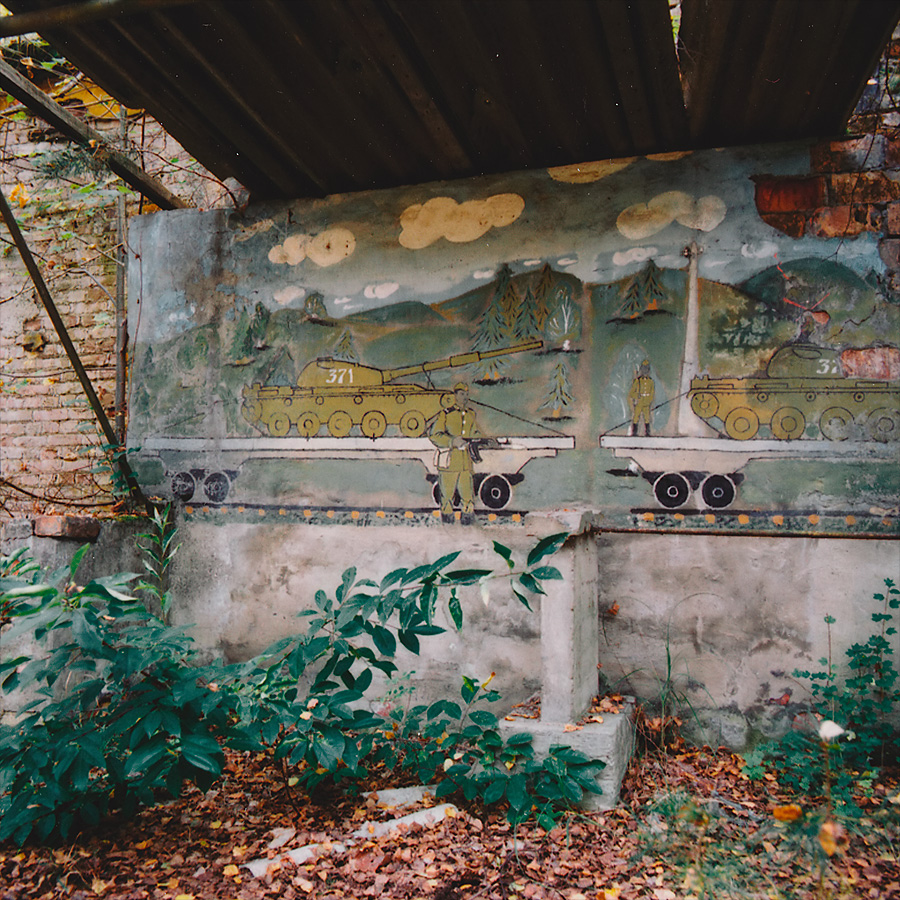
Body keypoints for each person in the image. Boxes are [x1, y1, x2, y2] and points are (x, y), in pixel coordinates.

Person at [430, 382, 490, 523]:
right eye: (462, 394)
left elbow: (475, 432)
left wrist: (483, 439)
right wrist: (451, 441)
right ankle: (448, 528)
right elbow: (434, 435)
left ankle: (468, 527)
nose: (465, 397)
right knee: (447, 499)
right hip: (449, 463)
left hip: (465, 463)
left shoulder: (470, 415)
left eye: (467, 394)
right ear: (455, 395)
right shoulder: (445, 414)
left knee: (468, 497)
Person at [628, 360, 655, 436]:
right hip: (639, 403)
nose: (645, 371)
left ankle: (647, 433)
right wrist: (637, 396)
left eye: (647, 369)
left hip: (646, 403)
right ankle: (634, 432)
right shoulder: (638, 381)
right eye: (644, 369)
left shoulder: (651, 382)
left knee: (647, 418)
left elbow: (652, 393)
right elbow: (631, 393)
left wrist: (649, 401)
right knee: (636, 417)